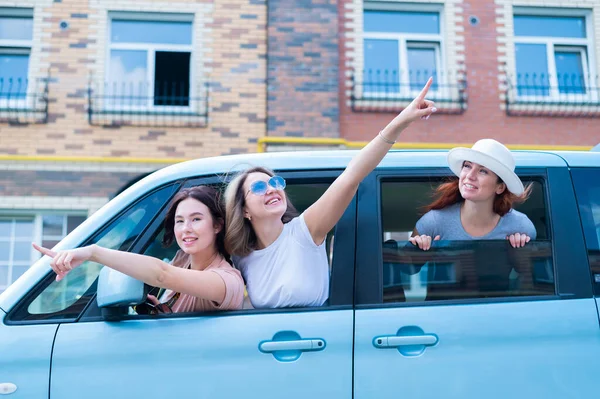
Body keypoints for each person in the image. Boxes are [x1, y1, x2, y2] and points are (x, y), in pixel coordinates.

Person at [224, 78, 438, 308]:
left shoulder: (304, 230)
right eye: (258, 187)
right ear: (244, 210)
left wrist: (401, 121)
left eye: (275, 182)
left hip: (318, 338)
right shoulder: (241, 258)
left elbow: (352, 176)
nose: (271, 189)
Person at [33, 186, 244, 313]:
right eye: (179, 221)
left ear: (217, 225)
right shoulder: (183, 259)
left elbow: (161, 274)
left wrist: (93, 253)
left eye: (196, 219)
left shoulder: (227, 281)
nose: (186, 229)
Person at [409, 138, 536, 251]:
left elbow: (533, 275)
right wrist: (420, 252)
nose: (470, 176)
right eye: (467, 166)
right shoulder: (434, 222)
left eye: (483, 171)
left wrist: (520, 255)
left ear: (500, 187)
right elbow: (406, 269)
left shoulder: (521, 226)